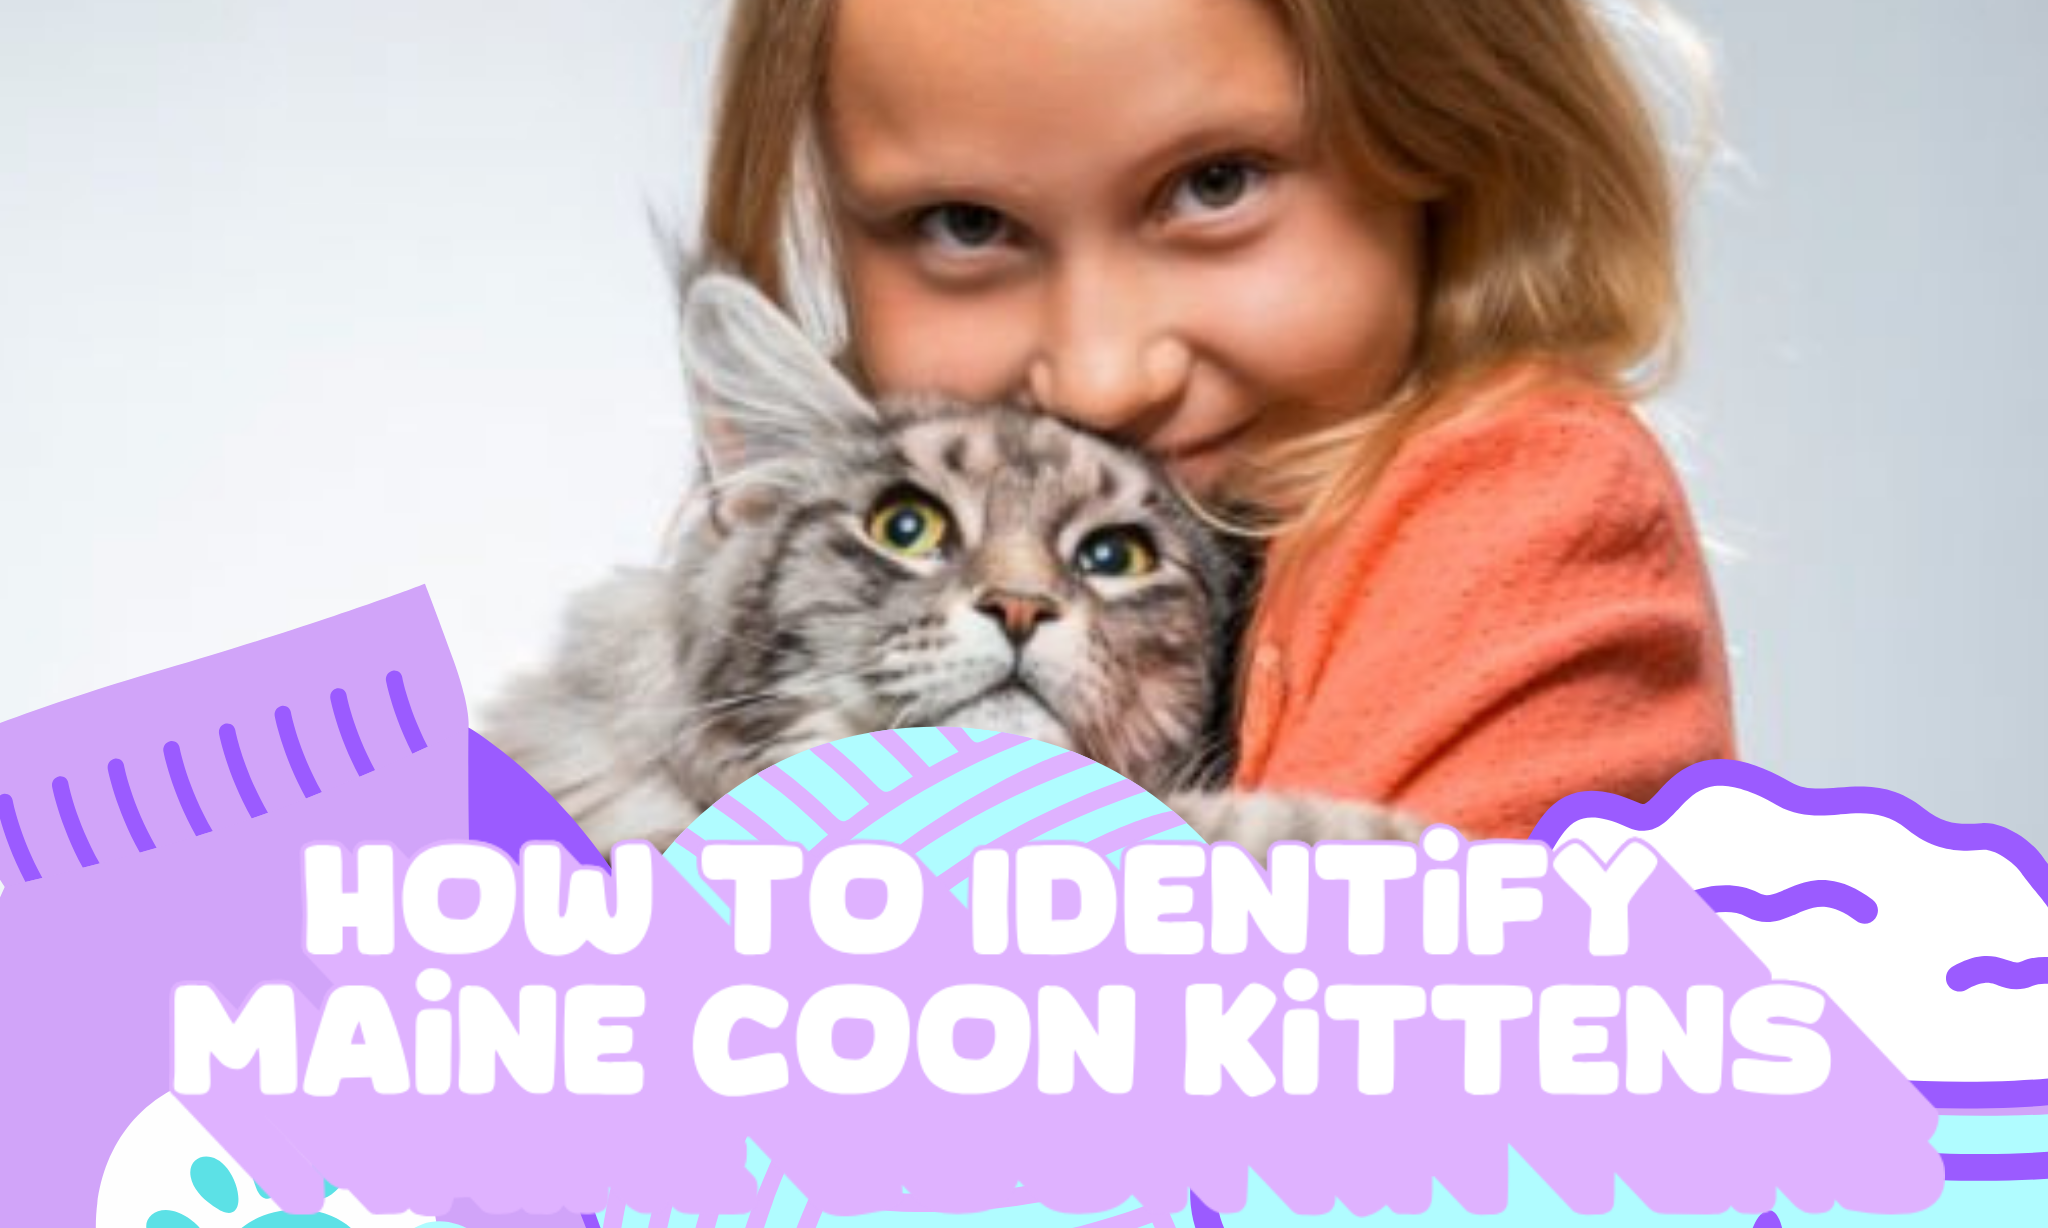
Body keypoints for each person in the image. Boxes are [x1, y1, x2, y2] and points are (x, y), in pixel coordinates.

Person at [697, 0, 1734, 840]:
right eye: (964, 224)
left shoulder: (1519, 502)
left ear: (1453, 138)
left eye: (1212, 183)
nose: (1099, 379)